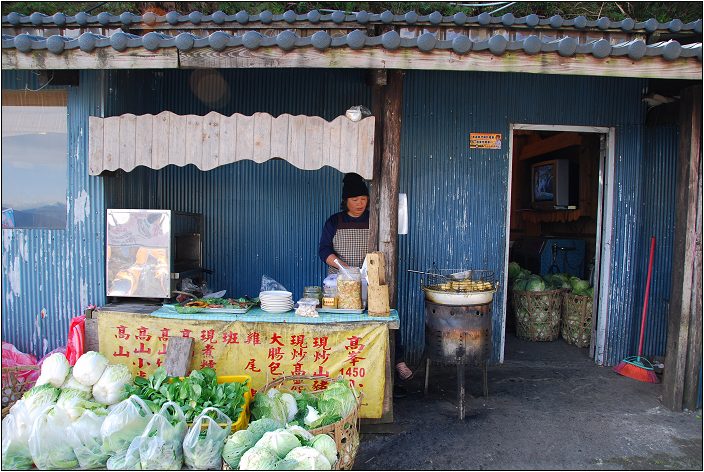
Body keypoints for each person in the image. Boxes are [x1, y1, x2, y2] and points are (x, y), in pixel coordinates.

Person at [318, 173, 413, 396]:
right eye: (354, 200)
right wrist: (344, 267)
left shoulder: (374, 219)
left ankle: (396, 361)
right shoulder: (335, 221)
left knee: (384, 315)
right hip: (341, 284)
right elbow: (324, 250)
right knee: (343, 324)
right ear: (345, 202)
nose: (360, 204)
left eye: (363, 198)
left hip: (371, 281)